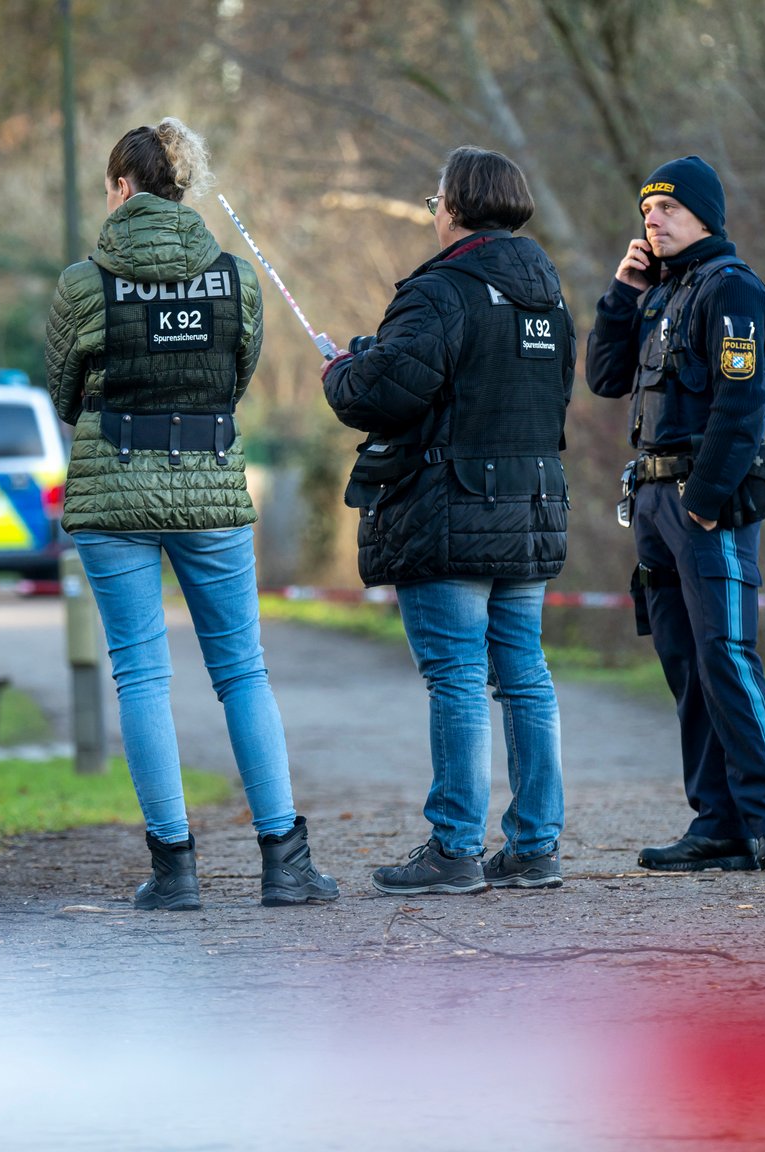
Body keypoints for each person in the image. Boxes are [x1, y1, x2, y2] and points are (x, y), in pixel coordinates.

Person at [43, 118, 339, 910]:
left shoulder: (82, 283)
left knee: (141, 673)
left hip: (113, 492)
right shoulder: (235, 279)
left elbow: (65, 392)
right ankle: (285, 861)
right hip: (208, 481)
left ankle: (174, 870)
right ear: (183, 188)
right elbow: (235, 377)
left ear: (120, 188)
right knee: (241, 671)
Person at [321, 148, 576, 895]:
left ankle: (455, 850)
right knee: (525, 678)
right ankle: (535, 847)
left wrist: (343, 371)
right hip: (533, 509)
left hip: (454, 511)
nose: (433, 210)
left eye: (437, 198)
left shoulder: (442, 291)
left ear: (458, 205)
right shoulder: (550, 293)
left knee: (457, 678)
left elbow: (384, 394)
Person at [585, 155, 765, 872]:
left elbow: (744, 405)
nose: (652, 219)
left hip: (702, 505)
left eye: (668, 209)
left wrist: (705, 504)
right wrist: (623, 292)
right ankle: (717, 823)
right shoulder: (659, 293)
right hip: (651, 505)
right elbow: (606, 377)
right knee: (685, 665)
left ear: (704, 215)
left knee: (727, 658)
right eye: (646, 210)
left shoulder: (731, 290)